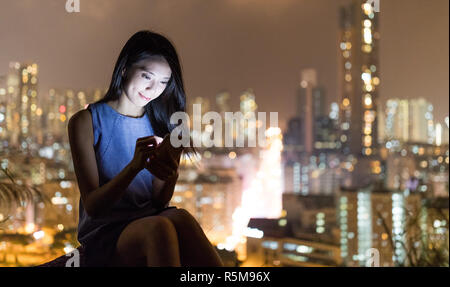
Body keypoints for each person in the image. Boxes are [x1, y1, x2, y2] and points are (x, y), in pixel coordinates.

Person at [68, 30, 223, 267]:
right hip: (105, 233)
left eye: (163, 82)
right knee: (159, 227)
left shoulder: (160, 125)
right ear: (124, 68)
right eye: (146, 76)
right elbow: (94, 207)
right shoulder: (86, 121)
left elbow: (160, 201)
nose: (153, 90)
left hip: (146, 219)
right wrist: (134, 166)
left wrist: (171, 171)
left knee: (181, 218)